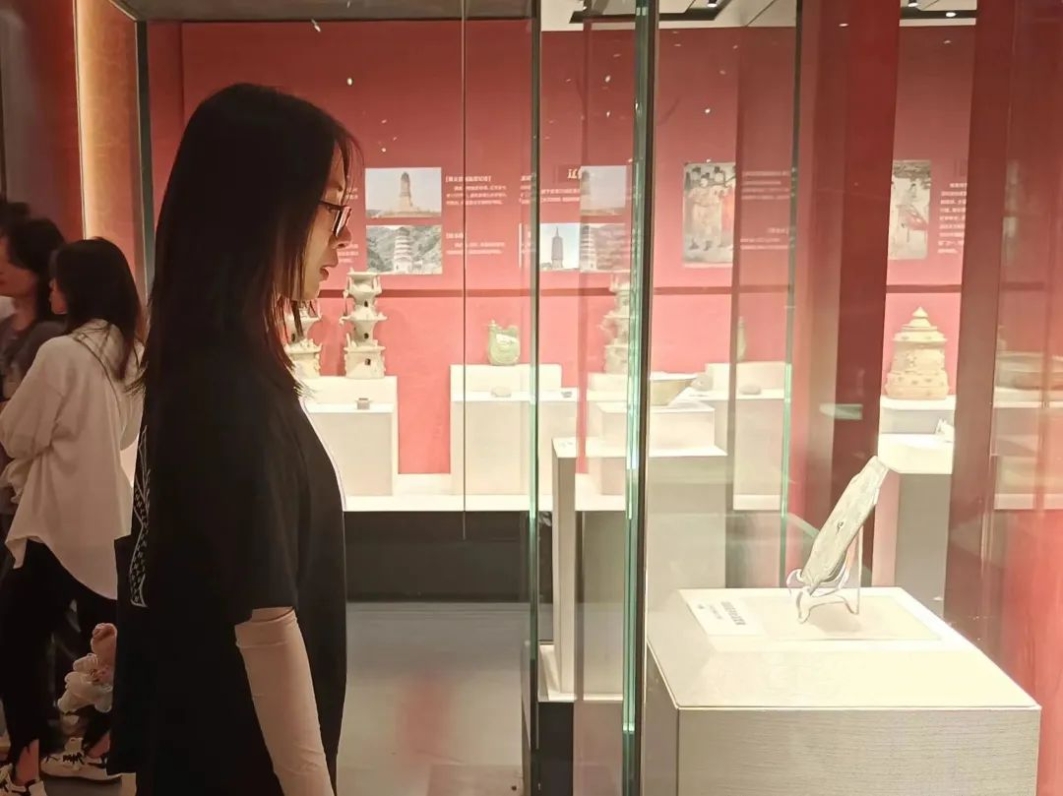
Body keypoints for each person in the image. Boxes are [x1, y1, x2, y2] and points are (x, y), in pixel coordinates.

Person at [111, 84, 354, 796]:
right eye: (332, 208)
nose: (343, 239)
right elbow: (266, 623)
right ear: (259, 211)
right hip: (239, 763)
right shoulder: (227, 389)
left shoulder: (208, 367)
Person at [0, 237, 145, 795]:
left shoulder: (61, 353)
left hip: (56, 520)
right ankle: (101, 751)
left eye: (59, 279)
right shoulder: (130, 351)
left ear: (79, 287)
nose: (52, 287)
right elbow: (126, 434)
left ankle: (25, 769)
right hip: (109, 515)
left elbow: (18, 434)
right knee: (105, 643)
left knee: (16, 640)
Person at [0, 205, 65, 547]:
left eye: (12, 260)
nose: (2, 267)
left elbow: (37, 418)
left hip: (31, 490)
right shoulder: (6, 327)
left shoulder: (50, 337)